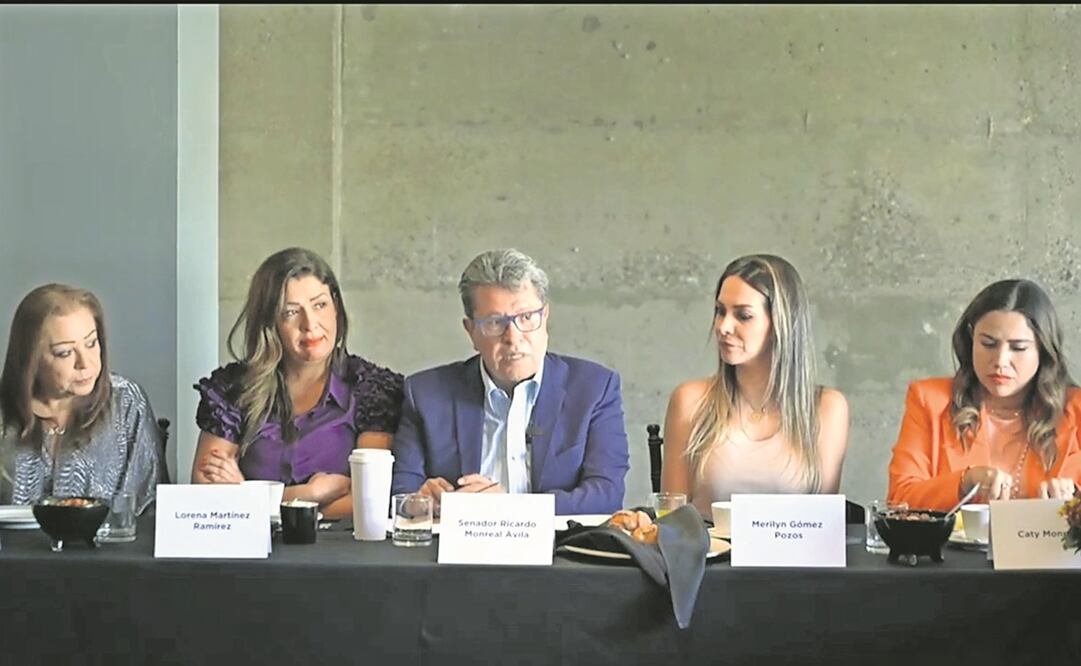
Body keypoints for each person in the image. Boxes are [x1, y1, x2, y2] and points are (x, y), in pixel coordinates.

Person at [391, 249, 630, 515]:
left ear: (545, 318)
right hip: (454, 552)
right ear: (471, 331)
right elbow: (400, 492)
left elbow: (606, 495)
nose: (514, 338)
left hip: (557, 552)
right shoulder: (425, 395)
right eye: (495, 323)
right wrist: (421, 502)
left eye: (526, 318)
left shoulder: (595, 388)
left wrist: (511, 508)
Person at [192, 248, 403, 519]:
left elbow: (367, 504)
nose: (310, 324)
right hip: (250, 553)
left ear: (336, 307)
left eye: (320, 305)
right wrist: (308, 494)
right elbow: (206, 496)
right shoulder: (232, 389)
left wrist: (246, 496)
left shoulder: (372, 390)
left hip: (339, 554)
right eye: (291, 312)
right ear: (270, 323)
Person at [662, 254, 849, 516]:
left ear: (780, 324)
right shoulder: (690, 400)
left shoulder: (827, 408)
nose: (723, 327)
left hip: (792, 556)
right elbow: (672, 519)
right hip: (709, 556)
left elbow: (822, 522)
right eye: (720, 311)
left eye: (743, 315)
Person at [888, 279, 1081, 509]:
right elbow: (899, 499)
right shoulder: (929, 400)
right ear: (971, 339)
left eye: (1018, 348)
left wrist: (1073, 503)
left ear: (1043, 349)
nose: (1000, 361)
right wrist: (963, 483)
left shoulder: (1076, 410)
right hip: (948, 546)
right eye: (988, 344)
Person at [0, 284, 163, 512]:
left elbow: (151, 507)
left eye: (91, 343)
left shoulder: (125, 401)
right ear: (31, 359)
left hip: (107, 547)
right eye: (65, 353)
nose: (85, 364)